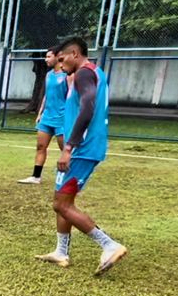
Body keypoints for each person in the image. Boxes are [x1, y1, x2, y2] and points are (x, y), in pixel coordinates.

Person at [35, 36, 128, 275]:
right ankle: (61, 252)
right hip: (84, 147)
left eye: (63, 57)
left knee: (61, 203)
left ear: (75, 53)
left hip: (82, 149)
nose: (60, 61)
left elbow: (87, 107)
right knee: (63, 203)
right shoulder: (93, 72)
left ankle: (109, 245)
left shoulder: (85, 73)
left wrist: (68, 148)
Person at [20, 46, 68, 184]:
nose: (46, 59)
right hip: (47, 117)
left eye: (48, 56)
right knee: (40, 147)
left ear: (58, 57)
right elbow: (47, 96)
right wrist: (40, 112)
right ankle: (36, 176)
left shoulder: (67, 76)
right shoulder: (49, 75)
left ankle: (69, 176)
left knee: (64, 149)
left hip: (62, 118)